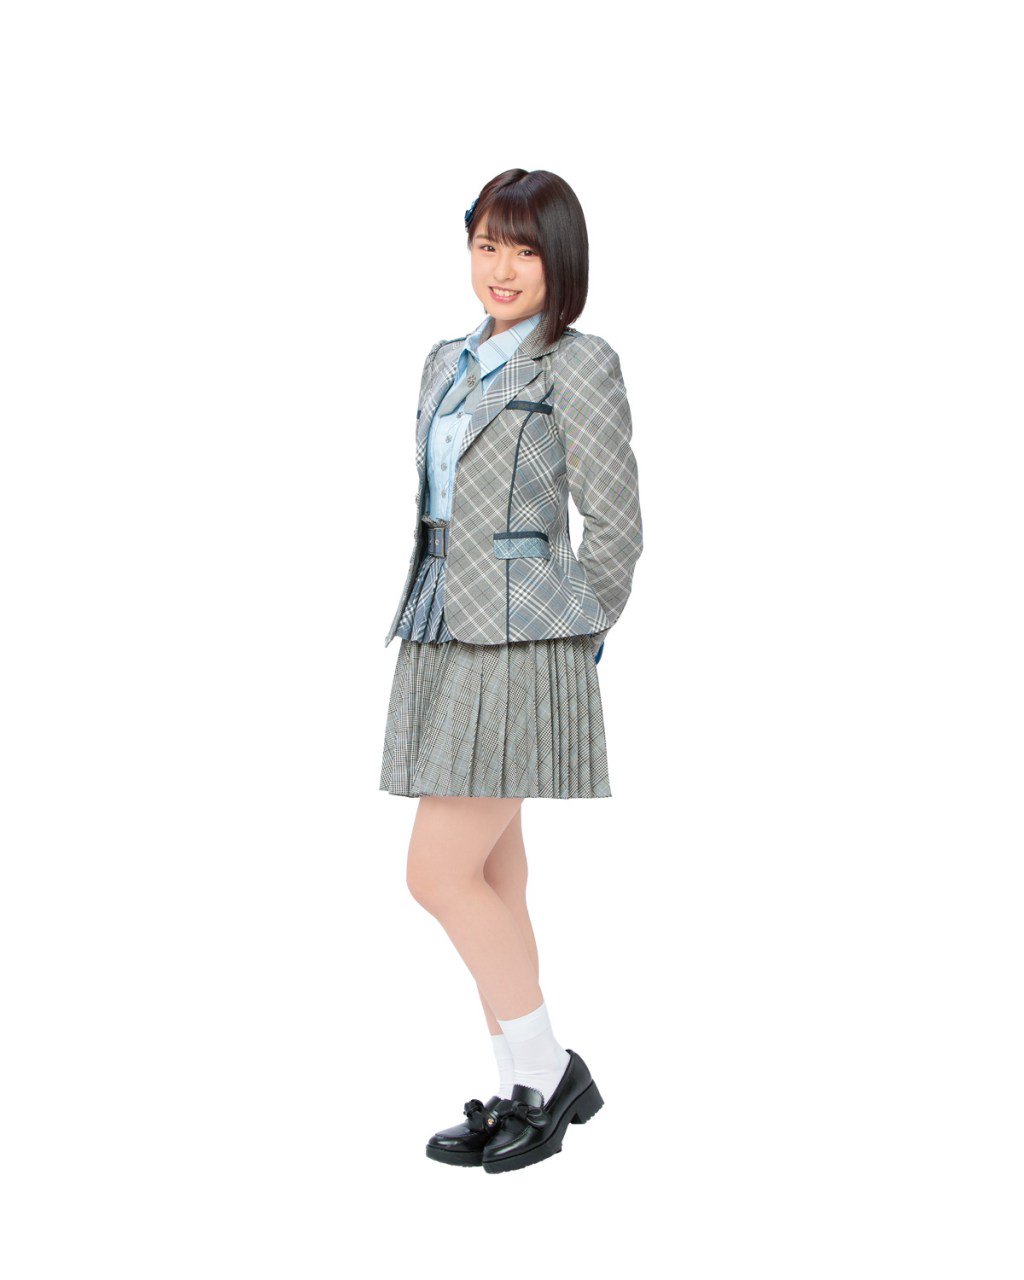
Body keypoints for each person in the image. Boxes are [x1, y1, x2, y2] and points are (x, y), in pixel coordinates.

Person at [379, 168, 643, 1173]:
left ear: (559, 260)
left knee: (435, 872)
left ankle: (550, 1069)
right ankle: (524, 1088)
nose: (502, 267)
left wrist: (577, 632)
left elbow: (615, 526)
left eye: (525, 249)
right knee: (492, 870)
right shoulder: (443, 362)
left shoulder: (579, 361)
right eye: (487, 243)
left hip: (525, 639)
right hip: (441, 622)